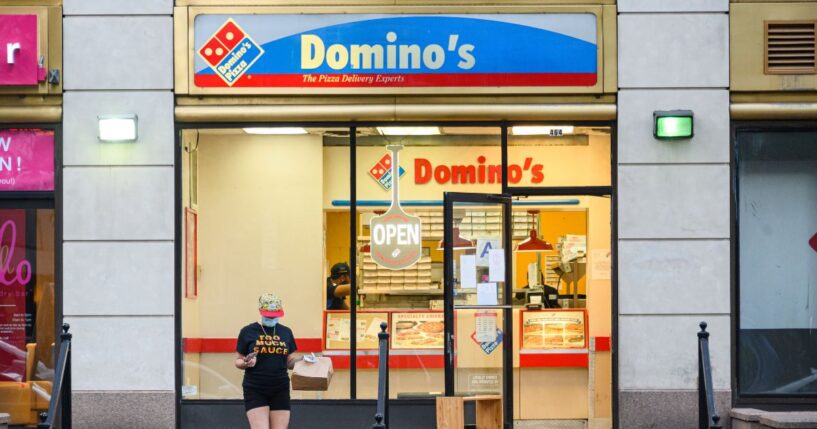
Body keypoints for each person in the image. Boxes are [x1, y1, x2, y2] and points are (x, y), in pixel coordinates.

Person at [235, 293, 302, 429]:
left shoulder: (286, 332)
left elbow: (289, 363)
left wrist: (304, 361)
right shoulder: (248, 331)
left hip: (280, 387)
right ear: (260, 311)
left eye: (274, 315)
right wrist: (246, 363)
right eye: (268, 315)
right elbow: (238, 361)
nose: (271, 318)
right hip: (255, 387)